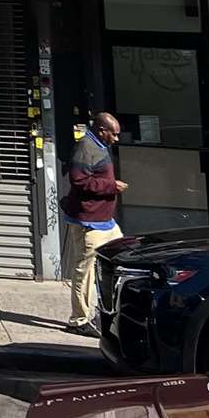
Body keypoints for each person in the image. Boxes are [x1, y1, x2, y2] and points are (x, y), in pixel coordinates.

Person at [61, 111, 126, 336]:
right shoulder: (86, 148)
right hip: (89, 222)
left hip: (105, 221)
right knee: (85, 270)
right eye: (114, 134)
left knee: (121, 255)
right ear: (102, 131)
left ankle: (104, 308)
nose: (116, 139)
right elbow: (78, 181)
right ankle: (78, 320)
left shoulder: (99, 146)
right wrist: (111, 186)